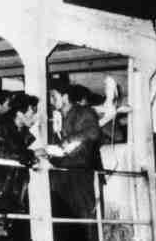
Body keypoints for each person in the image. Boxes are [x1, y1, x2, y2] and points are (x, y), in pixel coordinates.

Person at [0, 93, 41, 241]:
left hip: (8, 190)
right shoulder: (0, 127)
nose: (35, 117)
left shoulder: (17, 131)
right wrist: (31, 154)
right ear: (19, 113)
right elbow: (3, 154)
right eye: (32, 112)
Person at [47, 83, 103, 241]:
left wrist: (68, 140)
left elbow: (93, 132)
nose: (51, 101)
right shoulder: (55, 118)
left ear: (65, 97)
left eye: (54, 96)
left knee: (84, 218)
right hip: (59, 175)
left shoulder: (84, 112)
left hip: (80, 174)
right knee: (61, 220)